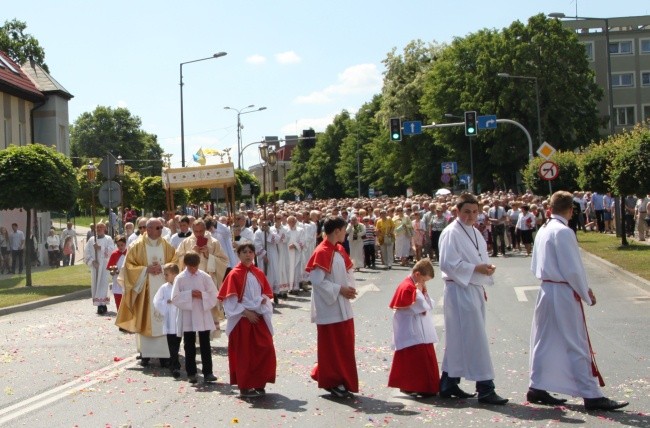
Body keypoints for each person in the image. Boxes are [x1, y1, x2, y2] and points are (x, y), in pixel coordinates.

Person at [528, 191, 629, 411]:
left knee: (543, 340)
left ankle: (537, 385)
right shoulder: (563, 232)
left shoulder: (544, 229)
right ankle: (591, 394)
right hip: (562, 291)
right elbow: (573, 269)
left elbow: (535, 265)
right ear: (571, 210)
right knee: (577, 343)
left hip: (546, 288)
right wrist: (585, 292)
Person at [438, 193, 508, 405]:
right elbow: (447, 264)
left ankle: (448, 383)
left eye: (475, 212)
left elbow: (478, 256)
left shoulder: (474, 231)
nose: (471, 216)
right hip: (460, 290)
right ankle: (486, 388)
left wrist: (485, 267)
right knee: (476, 339)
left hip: (473, 288)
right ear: (457, 211)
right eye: (467, 212)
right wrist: (475, 268)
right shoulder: (451, 232)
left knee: (460, 339)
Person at [306, 216, 359, 399]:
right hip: (330, 309)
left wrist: (350, 288)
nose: (345, 233)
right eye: (344, 230)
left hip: (342, 305)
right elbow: (316, 281)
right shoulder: (321, 251)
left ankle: (338, 377)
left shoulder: (339, 249)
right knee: (332, 347)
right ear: (337, 231)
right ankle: (333, 380)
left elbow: (348, 270)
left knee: (343, 346)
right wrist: (340, 289)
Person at [115, 218, 178, 367]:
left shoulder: (167, 246)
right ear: (148, 229)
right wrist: (146, 269)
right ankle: (146, 354)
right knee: (145, 319)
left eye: (161, 227)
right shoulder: (137, 246)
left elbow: (175, 263)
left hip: (162, 290)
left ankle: (164, 356)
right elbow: (128, 267)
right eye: (157, 228)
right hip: (145, 291)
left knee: (163, 319)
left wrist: (163, 268)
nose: (160, 230)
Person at [218, 243, 277, 398]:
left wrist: (263, 301)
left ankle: (259, 381)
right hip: (242, 319)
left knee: (265, 348)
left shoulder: (258, 272)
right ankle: (244, 386)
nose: (248, 255)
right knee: (245, 354)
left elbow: (266, 294)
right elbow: (230, 301)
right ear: (238, 255)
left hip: (258, 317)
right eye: (244, 252)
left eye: (251, 252)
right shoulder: (234, 274)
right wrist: (245, 312)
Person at [387, 259, 440, 398]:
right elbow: (419, 306)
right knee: (415, 360)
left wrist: (421, 291)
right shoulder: (407, 287)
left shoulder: (415, 286)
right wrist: (419, 292)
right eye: (424, 279)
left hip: (418, 329)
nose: (424, 283)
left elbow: (427, 304)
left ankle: (419, 386)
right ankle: (414, 386)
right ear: (417, 274)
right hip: (411, 331)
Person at [171, 252, 219, 384]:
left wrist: (202, 295)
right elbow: (174, 298)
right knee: (189, 344)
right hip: (188, 314)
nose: (193, 270)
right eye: (191, 267)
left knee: (205, 343)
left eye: (195, 267)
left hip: (202, 313)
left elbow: (214, 294)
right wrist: (189, 295)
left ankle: (208, 372)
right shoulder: (180, 278)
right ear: (186, 265)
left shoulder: (204, 276)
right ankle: (191, 372)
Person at [153, 263, 182, 379]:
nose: (165, 277)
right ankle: (174, 365)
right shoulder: (164, 288)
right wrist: (166, 302)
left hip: (179, 319)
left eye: (167, 274)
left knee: (177, 342)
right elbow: (156, 301)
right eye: (164, 274)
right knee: (171, 344)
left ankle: (174, 361)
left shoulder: (181, 286)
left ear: (175, 274)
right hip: (169, 320)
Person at [84, 222, 115, 314]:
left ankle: (103, 304)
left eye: (101, 227)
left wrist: (100, 247)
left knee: (103, 284)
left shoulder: (108, 238)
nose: (99, 229)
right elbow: (86, 252)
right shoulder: (91, 240)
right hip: (95, 266)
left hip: (104, 265)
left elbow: (112, 250)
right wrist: (92, 261)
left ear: (105, 228)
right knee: (96, 284)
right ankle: (99, 305)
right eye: (97, 227)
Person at [106, 235, 128, 312]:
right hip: (117, 280)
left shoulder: (129, 253)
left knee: (127, 298)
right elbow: (109, 267)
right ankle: (119, 313)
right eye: (118, 245)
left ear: (125, 244)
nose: (120, 247)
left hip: (127, 280)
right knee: (118, 297)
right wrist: (114, 270)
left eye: (122, 245)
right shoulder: (114, 254)